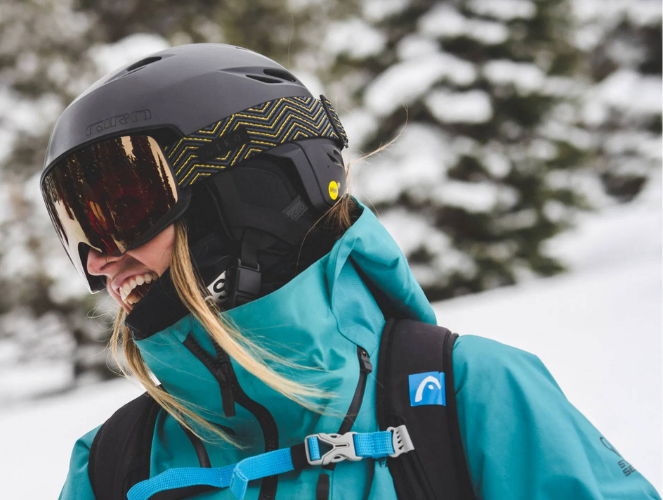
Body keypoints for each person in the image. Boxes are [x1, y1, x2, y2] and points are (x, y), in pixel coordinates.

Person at [42, 43, 660, 500]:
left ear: (243, 195)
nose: (97, 259)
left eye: (123, 211)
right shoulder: (113, 467)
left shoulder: (467, 397)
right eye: (78, 227)